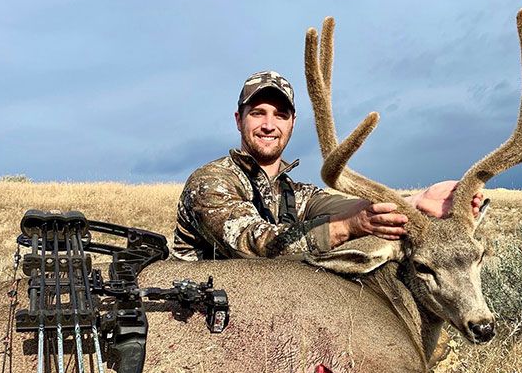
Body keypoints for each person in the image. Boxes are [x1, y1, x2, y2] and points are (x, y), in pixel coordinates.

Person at [173, 71, 482, 261]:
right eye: (258, 113)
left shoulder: (293, 193)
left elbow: (345, 207)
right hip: (197, 323)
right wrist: (348, 227)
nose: (269, 125)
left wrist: (416, 202)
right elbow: (254, 246)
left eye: (280, 115)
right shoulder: (211, 182)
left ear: (292, 123)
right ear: (239, 120)